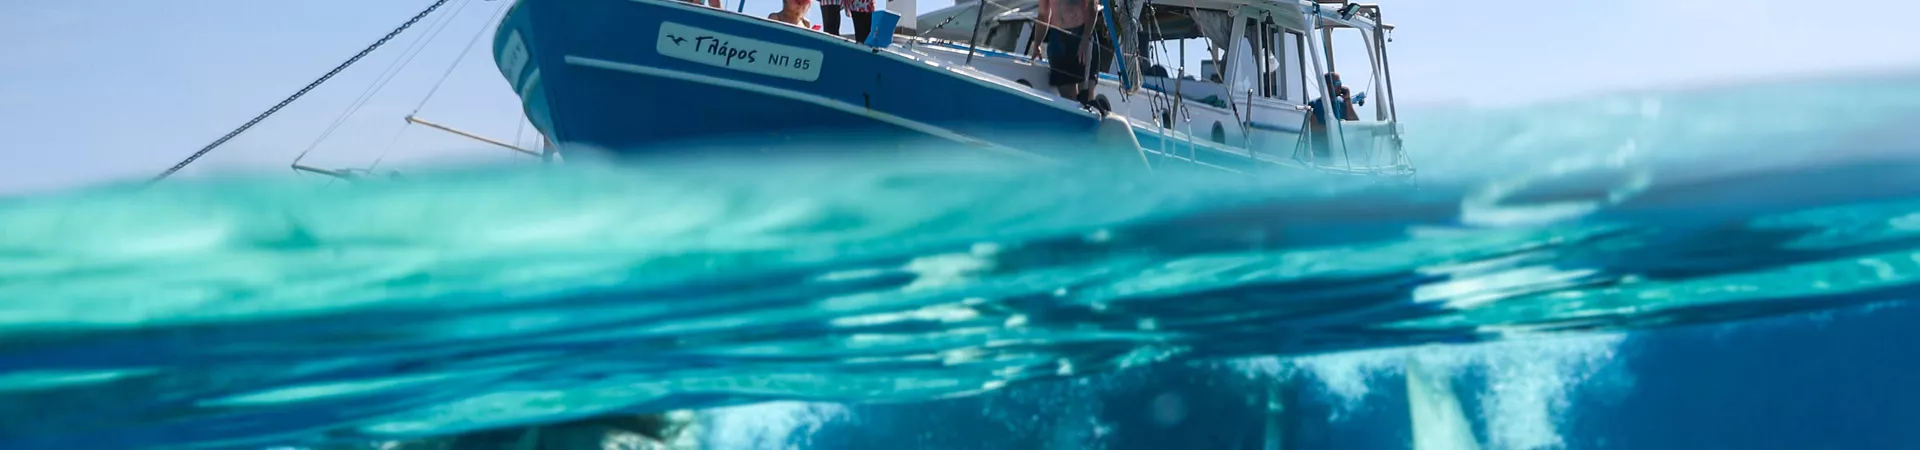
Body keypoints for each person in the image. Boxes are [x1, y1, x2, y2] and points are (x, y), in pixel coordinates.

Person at [1037, 0, 1111, 109]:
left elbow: (1092, 7)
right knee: (1068, 97)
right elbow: (1043, 14)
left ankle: (1090, 117)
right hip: (1058, 38)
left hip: (1081, 34)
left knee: (1087, 96)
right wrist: (1037, 44)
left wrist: (1085, 39)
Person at [1304, 72, 1359, 159]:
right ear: (1327, 86)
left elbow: (1355, 124)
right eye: (1337, 83)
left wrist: (1347, 100)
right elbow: (1314, 129)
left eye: (1340, 83)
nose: (1340, 86)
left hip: (1342, 155)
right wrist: (1337, 126)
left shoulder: (1343, 103)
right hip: (1321, 155)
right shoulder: (1313, 105)